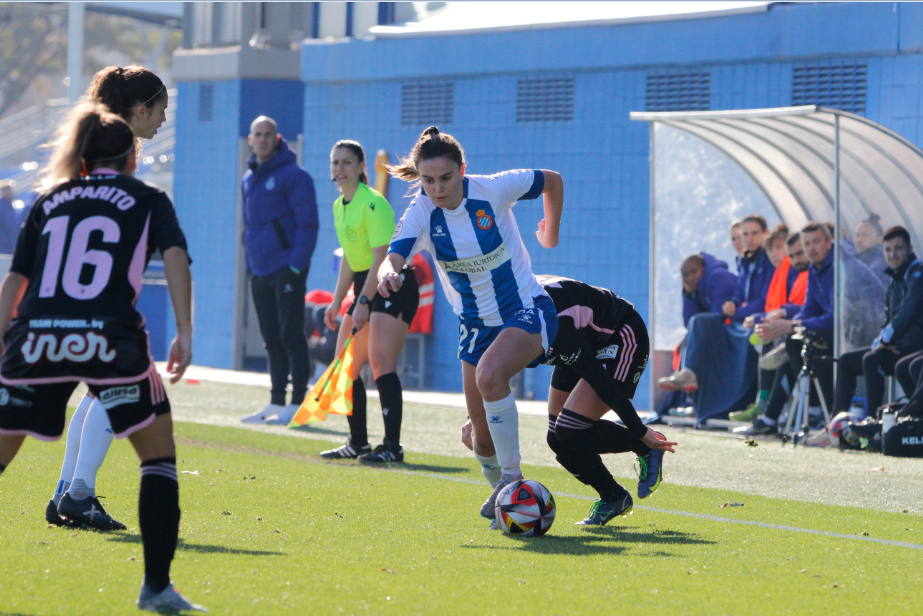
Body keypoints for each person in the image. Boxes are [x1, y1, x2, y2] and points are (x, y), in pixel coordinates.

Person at [0, 104, 204, 612]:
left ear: (83, 157)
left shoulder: (49, 199)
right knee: (157, 459)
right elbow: (176, 258)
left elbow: (16, 281)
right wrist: (184, 330)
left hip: (37, 337)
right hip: (109, 338)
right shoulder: (148, 198)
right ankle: (157, 588)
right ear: (132, 157)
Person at [378, 126, 563, 522]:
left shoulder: (493, 189)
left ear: (462, 169)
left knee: (490, 376)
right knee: (481, 439)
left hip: (525, 308)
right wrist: (387, 273)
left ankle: (513, 480)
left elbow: (552, 180)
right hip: (475, 326)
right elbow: (393, 256)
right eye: (428, 181)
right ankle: (505, 499)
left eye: (446, 178)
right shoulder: (422, 212)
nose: (437, 188)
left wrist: (550, 234)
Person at [47, 65, 170, 529]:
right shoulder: (114, 152)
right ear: (139, 110)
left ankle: (65, 492)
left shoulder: (99, 143)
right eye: (160, 110)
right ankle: (78, 495)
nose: (163, 120)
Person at [464, 275, 676, 526]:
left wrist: (639, 431)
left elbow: (602, 382)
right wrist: (475, 416)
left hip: (620, 334)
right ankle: (613, 497)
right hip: (581, 337)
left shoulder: (552, 325)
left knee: (570, 430)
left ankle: (646, 447)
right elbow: (493, 373)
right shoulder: (497, 314)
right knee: (557, 438)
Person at [319, 140, 420, 463]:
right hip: (365, 286)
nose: (340, 168)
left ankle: (392, 447)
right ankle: (358, 443)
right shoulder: (339, 205)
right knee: (345, 365)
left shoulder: (373, 203)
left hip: (393, 284)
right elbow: (351, 260)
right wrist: (337, 301)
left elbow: (381, 260)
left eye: (347, 162)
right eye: (335, 162)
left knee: (380, 362)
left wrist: (363, 301)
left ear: (362, 167)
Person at [239, 116, 319, 426]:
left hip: (287, 268)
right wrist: (251, 266)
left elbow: (308, 225)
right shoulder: (248, 179)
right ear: (251, 140)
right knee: (271, 338)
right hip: (259, 270)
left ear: (276, 138)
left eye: (267, 134)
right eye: (257, 134)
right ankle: (276, 401)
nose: (262, 139)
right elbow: (251, 226)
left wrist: (295, 266)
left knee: (291, 335)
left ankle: (298, 403)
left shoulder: (295, 176)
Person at [738, 222, 837, 436]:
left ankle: (808, 411)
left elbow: (836, 318)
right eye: (806, 245)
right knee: (791, 342)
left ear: (829, 242)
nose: (810, 250)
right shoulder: (814, 268)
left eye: (815, 242)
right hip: (821, 329)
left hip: (848, 334)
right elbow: (809, 309)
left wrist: (791, 325)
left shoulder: (838, 266)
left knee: (793, 342)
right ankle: (772, 415)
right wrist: (779, 327)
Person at [832, 226, 922, 417]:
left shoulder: (918, 274)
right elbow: (889, 320)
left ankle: (873, 421)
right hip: (897, 346)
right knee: (846, 361)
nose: (892, 254)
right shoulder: (894, 279)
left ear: (910, 249)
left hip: (915, 346)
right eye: (888, 249)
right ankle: (838, 421)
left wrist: (885, 341)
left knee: (872, 359)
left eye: (898, 248)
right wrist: (884, 341)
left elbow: (908, 313)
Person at [731, 230, 810, 422]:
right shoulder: (781, 271)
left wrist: (766, 317)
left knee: (777, 341)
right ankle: (766, 407)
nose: (775, 254)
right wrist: (761, 317)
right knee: (767, 337)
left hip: (800, 328)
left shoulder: (798, 271)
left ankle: (772, 409)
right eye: (770, 250)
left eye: (779, 248)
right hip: (791, 324)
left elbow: (798, 308)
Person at [657, 251, 737, 393]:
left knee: (695, 330)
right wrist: (690, 294)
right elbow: (689, 322)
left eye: (694, 272)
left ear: (703, 267)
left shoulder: (719, 277)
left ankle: (688, 376)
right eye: (686, 275)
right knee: (684, 342)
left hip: (733, 329)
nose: (690, 278)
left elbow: (717, 318)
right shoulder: (698, 287)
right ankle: (683, 390)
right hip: (717, 330)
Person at [723, 214, 775, 323]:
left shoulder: (771, 260)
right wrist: (733, 303)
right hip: (748, 315)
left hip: (764, 317)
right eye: (745, 234)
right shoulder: (746, 261)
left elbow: (765, 300)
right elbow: (741, 290)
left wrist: (737, 313)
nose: (750, 239)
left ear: (765, 233)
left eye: (755, 233)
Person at [853, 213, 888, 287]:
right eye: (857, 235)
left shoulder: (882, 263)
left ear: (878, 239)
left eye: (865, 235)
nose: (860, 239)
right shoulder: (854, 260)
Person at [0, 179, 26, 254]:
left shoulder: (16, 206)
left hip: (14, 247)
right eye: (5, 189)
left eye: (9, 188)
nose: (8, 191)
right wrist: (5, 243)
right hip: (3, 249)